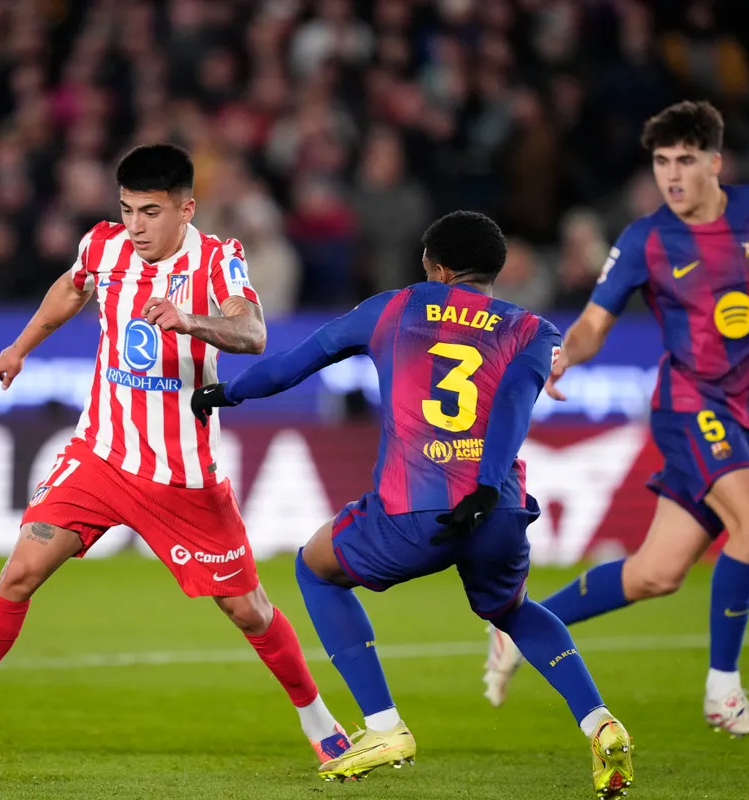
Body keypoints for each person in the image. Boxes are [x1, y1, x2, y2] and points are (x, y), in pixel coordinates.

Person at [0, 143, 352, 763]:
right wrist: (21, 346)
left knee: (247, 609)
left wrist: (189, 321)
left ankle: (319, 722)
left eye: (151, 212)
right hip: (101, 454)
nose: (136, 226)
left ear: (186, 209)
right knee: (20, 571)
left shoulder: (219, 260)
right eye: (128, 209)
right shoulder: (103, 246)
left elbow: (253, 332)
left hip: (182, 475)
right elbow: (72, 286)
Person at [193, 211, 635, 797]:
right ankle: (599, 722)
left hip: (414, 510)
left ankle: (383, 726)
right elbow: (512, 408)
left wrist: (227, 393)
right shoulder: (533, 329)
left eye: (425, 261)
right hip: (497, 509)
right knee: (512, 609)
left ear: (439, 267)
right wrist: (484, 486)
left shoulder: (394, 307)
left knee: (316, 567)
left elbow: (294, 364)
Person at [483, 100, 749, 737]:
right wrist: (563, 356)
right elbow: (592, 323)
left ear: (715, 163)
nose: (672, 175)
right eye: (662, 161)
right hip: (689, 406)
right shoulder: (646, 239)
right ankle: (724, 695)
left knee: (655, 573)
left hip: (741, 416)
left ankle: (516, 627)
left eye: (686, 160)